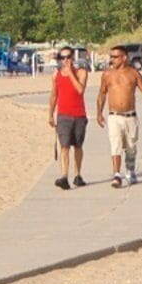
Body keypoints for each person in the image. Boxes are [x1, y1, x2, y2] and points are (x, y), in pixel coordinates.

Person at [96, 46, 142, 188]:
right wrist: (99, 113)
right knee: (115, 145)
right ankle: (117, 175)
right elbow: (102, 94)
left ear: (124, 58)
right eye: (111, 56)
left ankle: (130, 170)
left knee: (131, 147)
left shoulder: (133, 74)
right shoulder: (107, 74)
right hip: (114, 116)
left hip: (130, 116)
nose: (112, 59)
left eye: (115, 57)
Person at [47, 50, 90, 189]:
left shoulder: (81, 72)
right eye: (62, 57)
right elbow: (54, 95)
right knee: (64, 147)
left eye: (68, 57)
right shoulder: (56, 75)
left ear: (72, 58)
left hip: (79, 115)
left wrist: (70, 72)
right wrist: (50, 114)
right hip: (63, 115)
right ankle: (64, 176)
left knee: (78, 145)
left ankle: (77, 175)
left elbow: (80, 90)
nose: (65, 60)